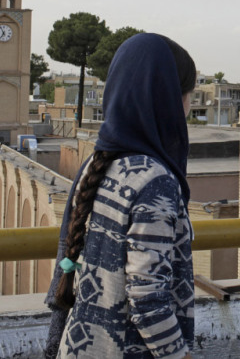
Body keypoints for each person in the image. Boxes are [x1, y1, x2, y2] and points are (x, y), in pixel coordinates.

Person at [45, 33, 196, 359]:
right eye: (187, 95)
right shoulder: (155, 182)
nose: (189, 106)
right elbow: (148, 300)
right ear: (167, 98)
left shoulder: (97, 164)